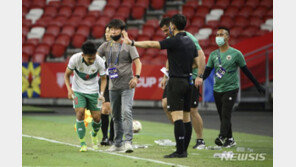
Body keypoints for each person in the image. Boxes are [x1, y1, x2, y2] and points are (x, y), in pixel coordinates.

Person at [122, 14, 202, 158]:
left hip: (176, 82)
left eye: (170, 25)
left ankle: (180, 151)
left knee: (177, 117)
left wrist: (132, 43)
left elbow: (152, 44)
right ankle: (184, 150)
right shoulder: (190, 41)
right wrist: (183, 66)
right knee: (186, 117)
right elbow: (197, 62)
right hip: (189, 81)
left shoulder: (173, 41)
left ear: (173, 26)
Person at [203, 27, 265, 148]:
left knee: (226, 113)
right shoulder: (213, 55)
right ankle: (230, 139)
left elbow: (246, 71)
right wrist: (199, 79)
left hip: (231, 88)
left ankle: (221, 137)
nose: (218, 37)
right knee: (222, 115)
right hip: (217, 89)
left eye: (221, 34)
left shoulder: (236, 54)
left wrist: (257, 85)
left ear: (227, 37)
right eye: (217, 34)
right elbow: (207, 72)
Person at [159, 17, 207, 149]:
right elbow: (171, 58)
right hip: (175, 78)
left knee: (192, 110)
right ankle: (180, 134)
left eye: (165, 30)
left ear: (171, 26)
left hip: (190, 78)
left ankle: (200, 139)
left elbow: (201, 55)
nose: (164, 34)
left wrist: (199, 76)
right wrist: (165, 76)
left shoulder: (188, 37)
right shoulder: (171, 39)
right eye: (162, 32)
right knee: (165, 103)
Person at [97, 19, 142, 153]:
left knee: (126, 112)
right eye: (111, 29)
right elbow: (94, 59)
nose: (113, 31)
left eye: (116, 29)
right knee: (115, 116)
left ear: (122, 31)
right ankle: (117, 144)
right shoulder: (105, 46)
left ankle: (128, 142)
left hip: (127, 85)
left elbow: (138, 63)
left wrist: (136, 77)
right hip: (113, 87)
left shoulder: (128, 45)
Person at [64, 41, 107, 152]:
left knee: (97, 118)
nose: (92, 60)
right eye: (89, 59)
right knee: (80, 113)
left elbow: (103, 79)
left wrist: (101, 94)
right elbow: (66, 75)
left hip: (93, 91)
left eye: (93, 58)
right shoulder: (75, 59)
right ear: (83, 55)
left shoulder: (100, 61)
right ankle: (82, 143)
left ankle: (94, 134)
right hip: (78, 90)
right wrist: (69, 90)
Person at [99, 26, 114, 146]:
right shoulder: (103, 47)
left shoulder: (120, 47)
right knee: (105, 109)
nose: (106, 34)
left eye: (108, 32)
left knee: (114, 111)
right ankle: (104, 137)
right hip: (105, 80)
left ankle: (112, 138)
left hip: (117, 80)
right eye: (105, 32)